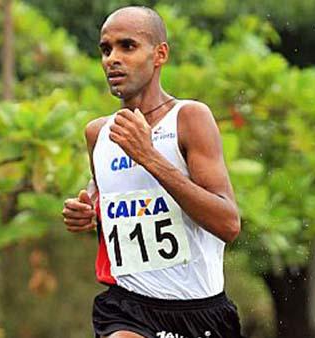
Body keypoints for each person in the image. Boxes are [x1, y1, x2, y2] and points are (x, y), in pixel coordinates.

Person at [62, 6, 244, 338]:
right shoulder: (97, 134)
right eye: (106, 49)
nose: (112, 59)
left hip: (199, 312)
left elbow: (228, 224)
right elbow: (108, 196)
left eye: (127, 46)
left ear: (159, 54)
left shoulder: (190, 118)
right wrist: (87, 210)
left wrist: (150, 157)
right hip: (127, 308)